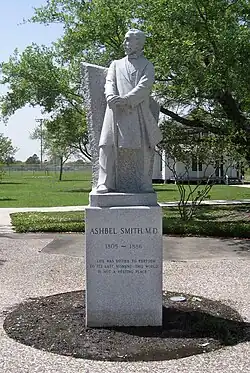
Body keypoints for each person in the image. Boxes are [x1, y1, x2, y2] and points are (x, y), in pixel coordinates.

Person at [96, 29, 162, 193]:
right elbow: (109, 81)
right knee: (106, 145)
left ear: (138, 43)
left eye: (128, 40)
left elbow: (144, 87)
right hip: (115, 111)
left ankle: (145, 181)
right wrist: (111, 96)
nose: (124, 44)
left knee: (146, 146)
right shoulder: (115, 64)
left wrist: (126, 100)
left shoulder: (147, 65)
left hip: (138, 110)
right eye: (125, 40)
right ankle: (104, 182)